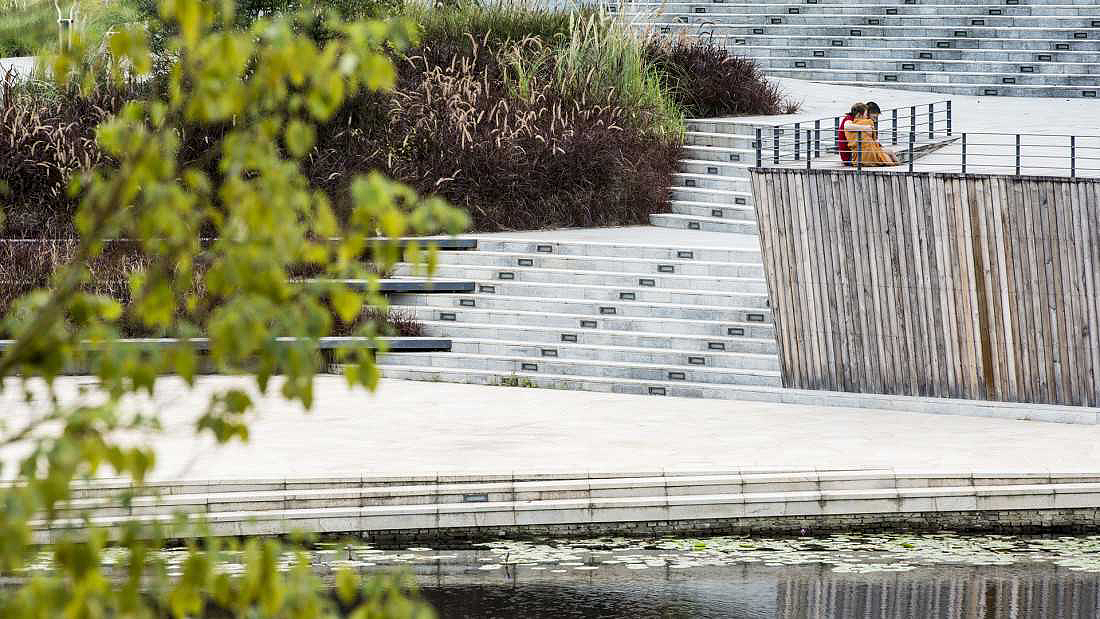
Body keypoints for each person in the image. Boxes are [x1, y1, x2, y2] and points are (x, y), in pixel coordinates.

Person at [844, 101, 899, 167]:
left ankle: (897, 165)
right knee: (886, 155)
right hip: (850, 155)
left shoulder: (860, 121)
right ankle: (896, 166)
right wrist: (866, 128)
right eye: (866, 114)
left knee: (888, 152)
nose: (875, 120)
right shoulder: (850, 119)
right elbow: (847, 126)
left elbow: (870, 139)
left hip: (858, 152)